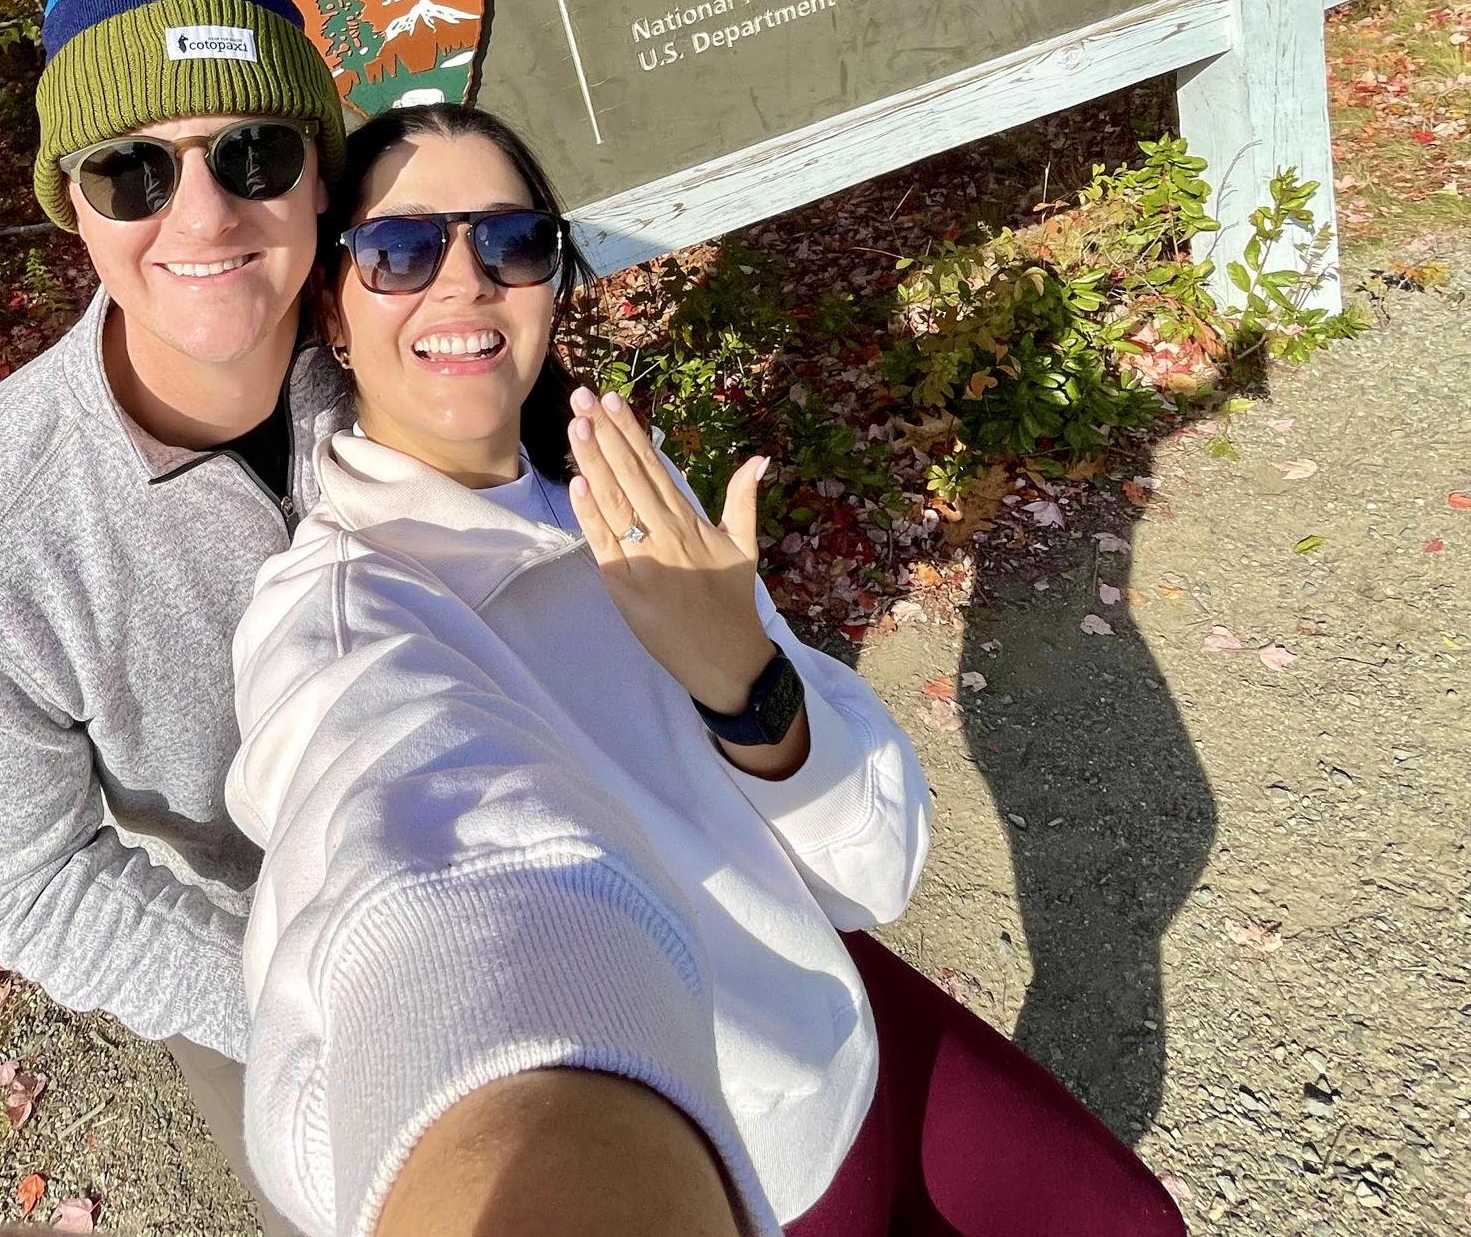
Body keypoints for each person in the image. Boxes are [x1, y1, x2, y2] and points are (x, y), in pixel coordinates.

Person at [226, 101, 1191, 1237]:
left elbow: (870, 871)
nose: (464, 282)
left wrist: (745, 681)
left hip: (835, 1016)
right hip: (723, 1159)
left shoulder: (619, 490)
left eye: (511, 242)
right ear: (332, 308)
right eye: (399, 250)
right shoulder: (342, 615)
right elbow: (393, 845)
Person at [0, 0, 351, 1237]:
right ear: (71, 204)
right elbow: (29, 882)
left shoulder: (423, 365)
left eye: (252, 152)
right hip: (264, 970)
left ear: (319, 176)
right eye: (131, 169)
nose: (202, 215)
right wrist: (312, 1001)